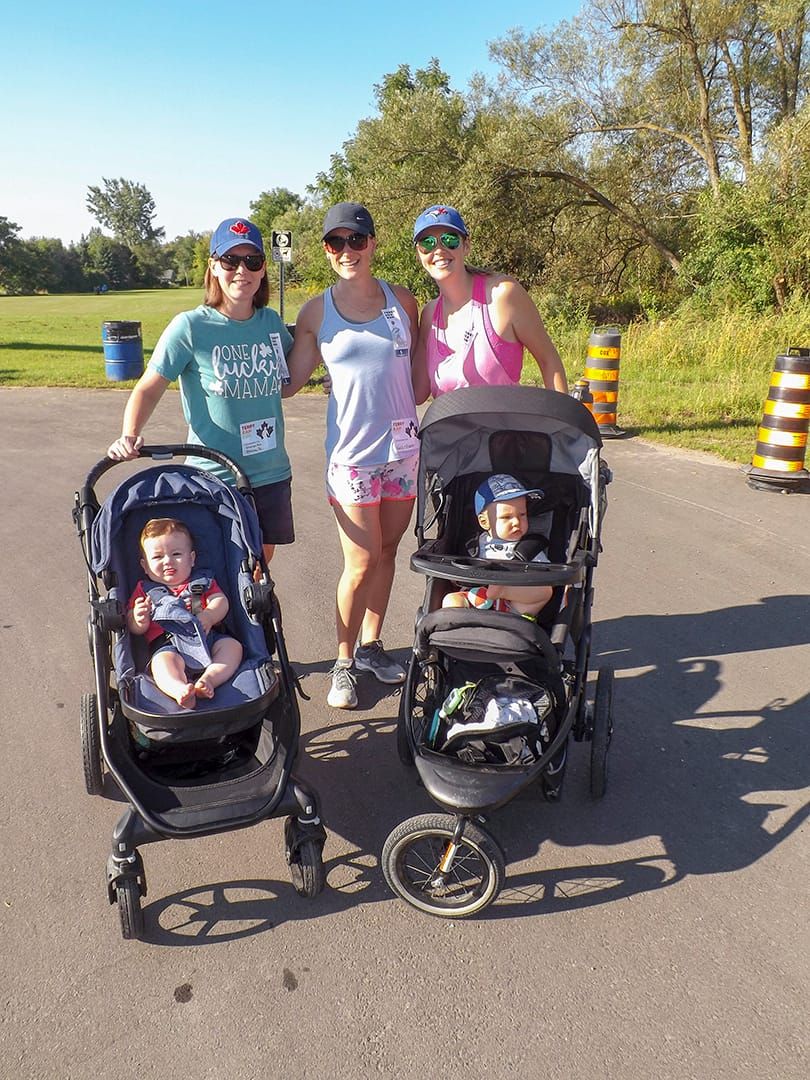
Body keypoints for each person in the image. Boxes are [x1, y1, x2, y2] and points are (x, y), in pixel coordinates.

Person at [284, 202, 420, 709]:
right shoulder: (316, 312)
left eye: (356, 241)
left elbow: (424, 370)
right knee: (360, 561)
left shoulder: (403, 302)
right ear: (325, 249)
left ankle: (371, 647)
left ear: (373, 244)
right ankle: (343, 662)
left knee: (388, 551)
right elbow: (292, 383)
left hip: (403, 451)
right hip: (353, 458)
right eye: (336, 243)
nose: (347, 251)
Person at [107, 217, 294, 564]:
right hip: (216, 474)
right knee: (218, 570)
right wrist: (129, 434)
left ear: (264, 267)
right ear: (213, 266)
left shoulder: (270, 323)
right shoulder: (191, 327)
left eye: (252, 261)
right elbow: (149, 386)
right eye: (230, 261)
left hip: (271, 472)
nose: (242, 270)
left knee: (258, 578)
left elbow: (290, 377)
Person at [410, 205, 569, 403]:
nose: (439, 250)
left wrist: (561, 426)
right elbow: (417, 393)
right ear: (419, 254)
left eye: (450, 240)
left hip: (504, 432)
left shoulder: (503, 295)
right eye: (428, 243)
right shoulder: (429, 315)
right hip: (449, 434)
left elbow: (549, 361)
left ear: (466, 245)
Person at [127, 518, 243, 708]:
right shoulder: (145, 591)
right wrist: (139, 618)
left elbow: (220, 601)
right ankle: (179, 689)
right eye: (157, 557)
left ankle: (208, 680)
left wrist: (209, 615)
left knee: (233, 647)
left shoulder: (201, 583)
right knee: (161, 663)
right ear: (145, 566)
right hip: (168, 644)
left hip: (207, 638)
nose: (168, 561)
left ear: (192, 558)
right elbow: (133, 627)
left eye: (176, 554)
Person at [442, 474, 553, 619]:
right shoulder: (473, 546)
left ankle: (502, 591)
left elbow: (549, 576)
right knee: (450, 600)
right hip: (478, 599)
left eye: (522, 514)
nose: (516, 522)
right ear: (484, 522)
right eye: (506, 517)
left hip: (513, 608)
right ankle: (462, 624)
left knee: (545, 592)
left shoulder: (530, 548)